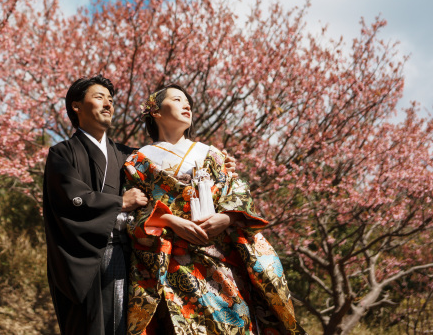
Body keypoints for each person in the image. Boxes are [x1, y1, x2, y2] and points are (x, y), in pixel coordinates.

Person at [124, 83, 305, 335]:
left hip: (220, 254)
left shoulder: (212, 154)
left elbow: (236, 190)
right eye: (177, 100)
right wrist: (169, 221)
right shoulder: (137, 161)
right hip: (173, 259)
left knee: (236, 322)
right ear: (154, 111)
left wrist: (226, 217)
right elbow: (134, 210)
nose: (186, 105)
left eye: (188, 102)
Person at [43, 75, 149, 335]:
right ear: (76, 106)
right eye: (99, 97)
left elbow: (166, 170)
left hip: (124, 254)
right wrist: (119, 202)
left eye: (111, 100)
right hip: (83, 259)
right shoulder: (62, 153)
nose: (108, 105)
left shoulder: (127, 155)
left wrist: (214, 164)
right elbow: (70, 200)